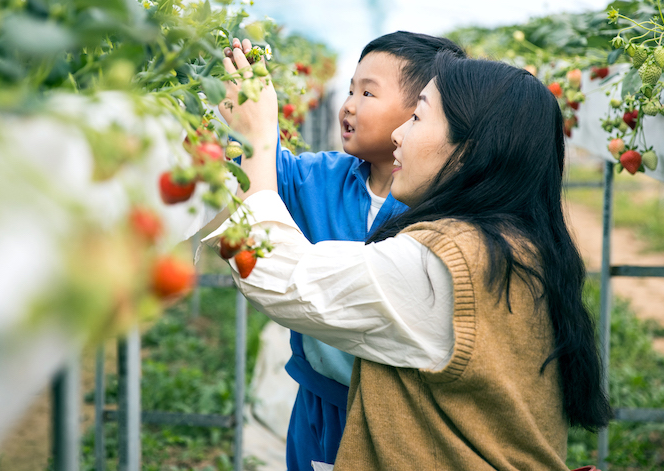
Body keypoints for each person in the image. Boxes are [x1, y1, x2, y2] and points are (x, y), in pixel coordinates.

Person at [206, 47, 612, 470]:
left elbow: (279, 276)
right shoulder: (515, 243)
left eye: (417, 117)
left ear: (469, 150)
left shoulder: (442, 269)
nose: (399, 134)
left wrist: (255, 135)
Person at [222, 32, 465, 470]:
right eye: (351, 89)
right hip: (317, 398)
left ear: (421, 113)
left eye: (368, 92)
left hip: (394, 411)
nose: (349, 104)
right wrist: (250, 111)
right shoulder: (324, 177)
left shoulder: (439, 209)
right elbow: (263, 174)